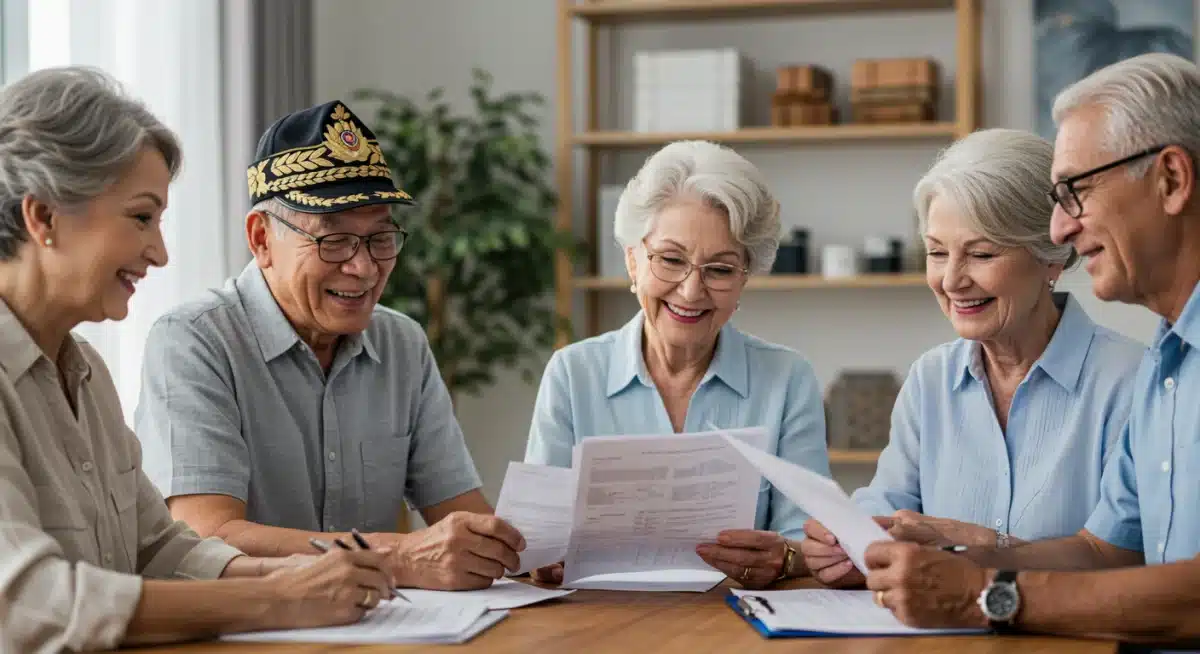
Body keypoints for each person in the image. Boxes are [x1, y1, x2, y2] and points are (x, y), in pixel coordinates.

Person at [0, 67, 394, 652]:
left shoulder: (85, 369)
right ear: (45, 217)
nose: (159, 253)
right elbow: (28, 604)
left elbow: (159, 549)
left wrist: (303, 576)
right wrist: (283, 600)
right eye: (140, 217)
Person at [857, 53, 1200, 647]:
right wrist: (964, 571)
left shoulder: (1133, 368)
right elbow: (1104, 550)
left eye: (1078, 192)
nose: (1062, 229)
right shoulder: (1168, 365)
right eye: (938, 253)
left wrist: (980, 593)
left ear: (1170, 179)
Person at [133, 99, 524, 592]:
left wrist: (525, 553)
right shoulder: (193, 341)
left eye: (381, 239)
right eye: (333, 241)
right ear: (261, 239)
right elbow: (208, 537)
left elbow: (462, 514)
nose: (363, 268)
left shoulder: (401, 342)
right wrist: (397, 556)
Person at [800, 128, 1144, 589]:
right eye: (937, 253)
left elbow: (1133, 560)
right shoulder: (930, 379)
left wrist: (978, 546)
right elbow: (886, 504)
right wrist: (846, 543)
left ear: (1052, 258)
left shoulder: (1132, 380)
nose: (951, 280)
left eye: (981, 253)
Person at [524, 140, 831, 589]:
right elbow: (536, 539)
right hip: (601, 625)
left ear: (745, 277)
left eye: (720, 270)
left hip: (735, 625)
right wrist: (543, 556)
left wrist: (785, 559)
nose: (690, 291)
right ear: (633, 260)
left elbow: (809, 543)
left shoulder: (788, 379)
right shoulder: (572, 373)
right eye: (671, 260)